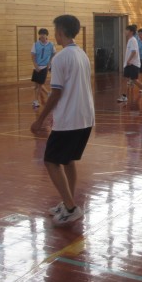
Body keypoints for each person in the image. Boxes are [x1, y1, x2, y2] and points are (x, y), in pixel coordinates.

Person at [30, 15, 95, 226]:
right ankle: (68, 202)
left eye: (55, 30)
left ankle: (71, 208)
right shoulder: (82, 55)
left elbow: (56, 93)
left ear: (61, 32)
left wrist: (40, 120)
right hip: (86, 118)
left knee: (50, 161)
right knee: (67, 160)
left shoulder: (60, 58)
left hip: (69, 120)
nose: (54, 34)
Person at [117, 25, 142, 103]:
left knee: (134, 80)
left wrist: (129, 60)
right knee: (125, 79)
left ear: (131, 32)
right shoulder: (130, 40)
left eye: (127, 30)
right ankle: (124, 96)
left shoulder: (133, 40)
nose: (125, 32)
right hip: (129, 64)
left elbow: (134, 52)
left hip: (132, 64)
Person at [31, 28, 56, 108]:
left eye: (44, 34)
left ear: (46, 35)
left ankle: (36, 101)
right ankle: (48, 93)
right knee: (37, 85)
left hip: (44, 67)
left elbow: (54, 53)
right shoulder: (35, 44)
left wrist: (49, 63)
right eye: (41, 34)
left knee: (40, 84)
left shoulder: (51, 45)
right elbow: (33, 56)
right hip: (36, 67)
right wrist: (36, 66)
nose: (42, 36)